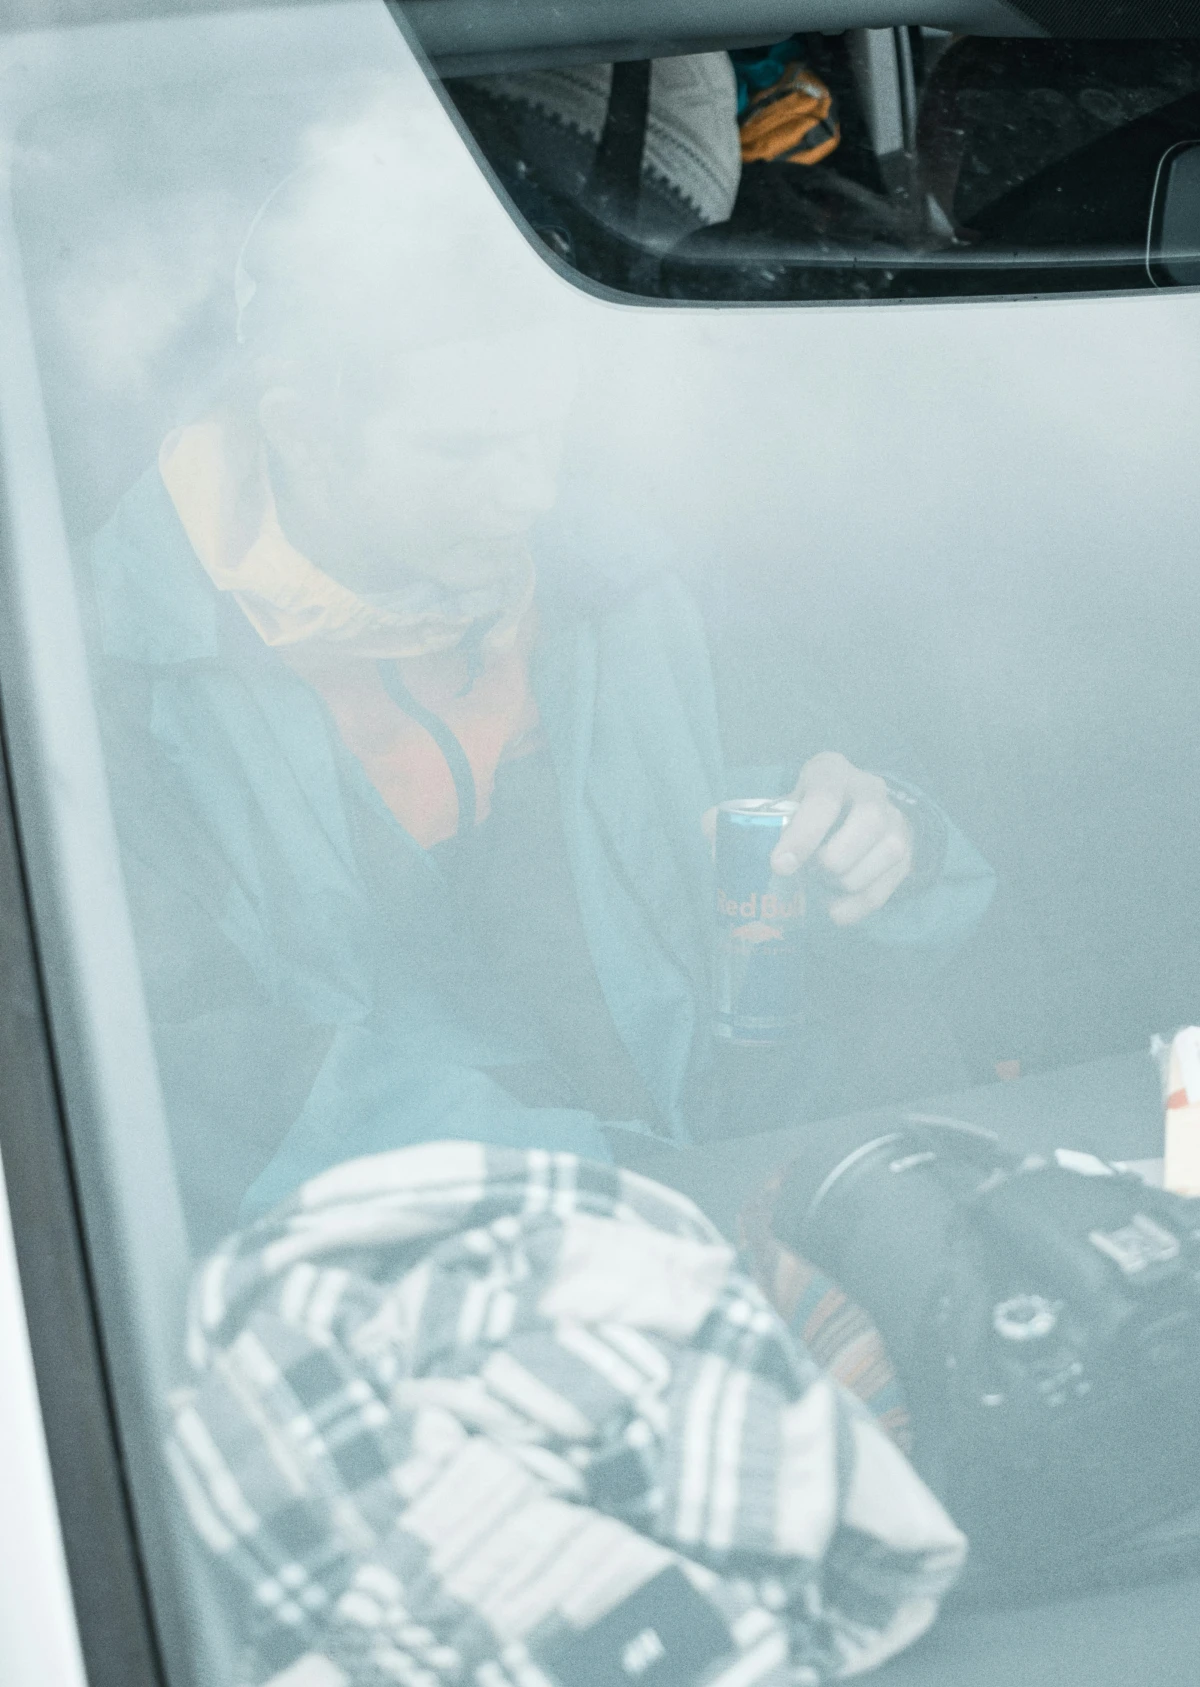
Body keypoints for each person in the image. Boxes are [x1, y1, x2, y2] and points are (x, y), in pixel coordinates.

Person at [83, 98, 994, 1247]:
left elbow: (844, 852)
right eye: (465, 450)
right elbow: (189, 1074)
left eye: (544, 433)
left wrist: (894, 845)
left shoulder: (642, 575)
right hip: (417, 1277)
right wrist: (611, 1199)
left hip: (745, 1205)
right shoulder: (106, 681)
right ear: (303, 435)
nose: (531, 494)